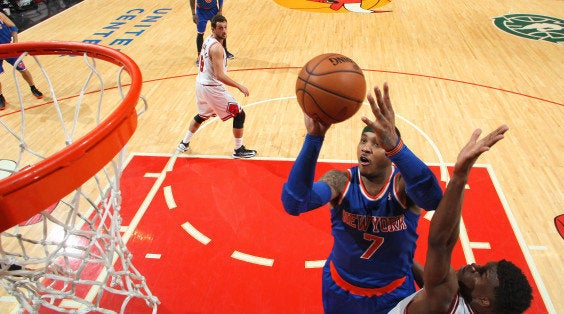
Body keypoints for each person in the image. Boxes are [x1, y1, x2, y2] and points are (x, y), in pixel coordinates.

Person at [281, 82, 443, 313]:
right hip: (341, 290)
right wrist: (314, 138)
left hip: (393, 294)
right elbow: (293, 203)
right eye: (363, 141)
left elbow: (433, 198)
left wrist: (398, 147)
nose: (365, 148)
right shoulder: (341, 181)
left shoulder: (402, 186)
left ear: (390, 152)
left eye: (377, 144)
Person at [388, 124, 534, 314]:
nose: (474, 266)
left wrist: (460, 174)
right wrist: (407, 261)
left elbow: (441, 242)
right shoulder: (458, 298)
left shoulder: (445, 301)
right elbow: (433, 284)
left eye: (481, 274)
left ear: (484, 300)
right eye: (482, 267)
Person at [177, 14, 256, 158]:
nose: (224, 31)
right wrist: (239, 86)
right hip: (211, 87)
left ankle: (184, 143)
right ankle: (238, 150)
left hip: (200, 84)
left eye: (225, 27)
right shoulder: (217, 48)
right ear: (213, 29)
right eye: (220, 28)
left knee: (202, 115)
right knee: (239, 114)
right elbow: (219, 76)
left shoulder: (207, 40)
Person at [0, 11, 44, 110]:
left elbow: (13, 27)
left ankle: (33, 87)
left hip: (8, 49)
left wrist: (15, 43)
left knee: (23, 69)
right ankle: (0, 96)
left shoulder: (0, 15)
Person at [189, 0, 234, 66]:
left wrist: (220, 10)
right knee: (200, 33)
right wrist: (193, 13)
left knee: (221, 30)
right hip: (200, 11)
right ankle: (200, 57)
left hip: (213, 9)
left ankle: (225, 51)